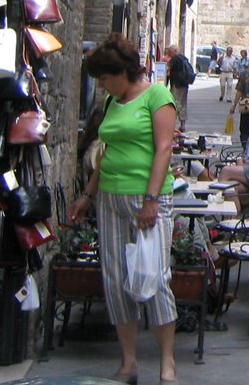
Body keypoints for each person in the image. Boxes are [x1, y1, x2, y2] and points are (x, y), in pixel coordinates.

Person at [67, 33, 179, 385]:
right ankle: (129, 362)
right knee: (116, 282)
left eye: (104, 78)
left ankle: (166, 364)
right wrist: (88, 194)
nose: (100, 85)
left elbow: (163, 149)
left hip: (147, 199)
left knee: (155, 278)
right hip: (111, 199)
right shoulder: (115, 102)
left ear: (122, 72)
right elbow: (107, 152)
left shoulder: (157, 96)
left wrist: (151, 200)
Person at [163, 44, 194, 134]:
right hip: (184, 85)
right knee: (183, 104)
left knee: (175, 104)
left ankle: (172, 125)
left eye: (170, 52)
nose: (169, 54)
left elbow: (167, 70)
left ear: (174, 51)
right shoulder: (184, 58)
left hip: (177, 85)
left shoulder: (175, 59)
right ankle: (183, 125)